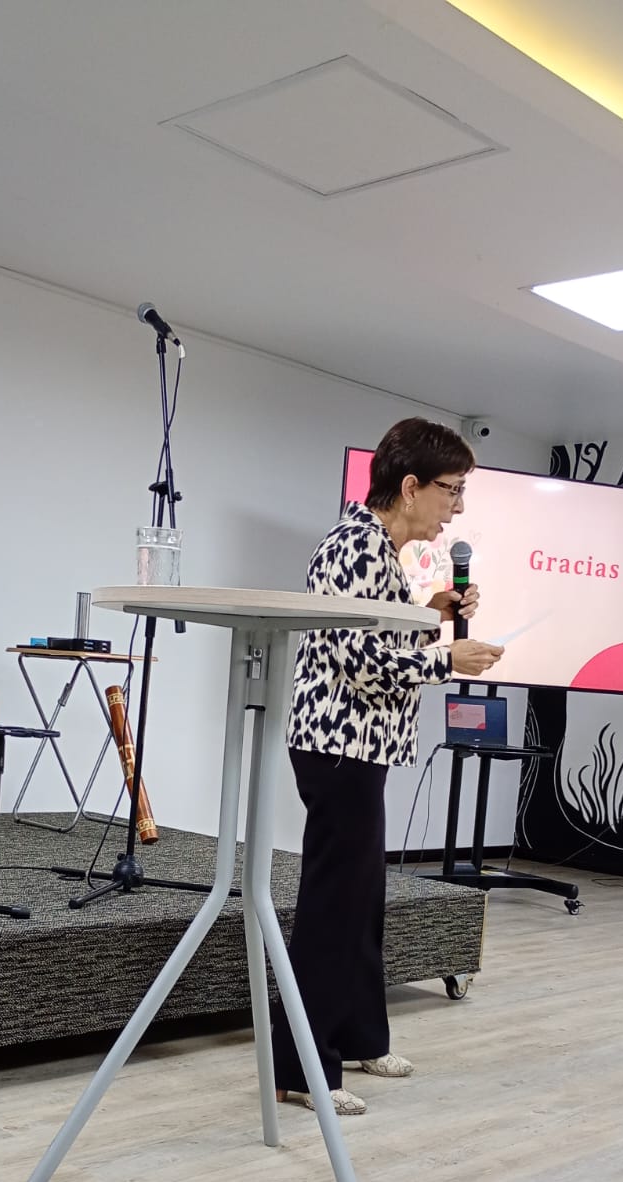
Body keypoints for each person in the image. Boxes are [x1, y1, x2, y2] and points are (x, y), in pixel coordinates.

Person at [271, 417, 504, 1115]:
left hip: (359, 749)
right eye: (451, 490)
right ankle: (300, 1069)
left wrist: (430, 612)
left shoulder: (377, 549)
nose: (456, 508)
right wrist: (447, 657)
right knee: (333, 908)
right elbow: (361, 661)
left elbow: (376, 632)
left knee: (362, 901)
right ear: (410, 487)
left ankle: (359, 1037)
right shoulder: (354, 546)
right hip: (337, 747)